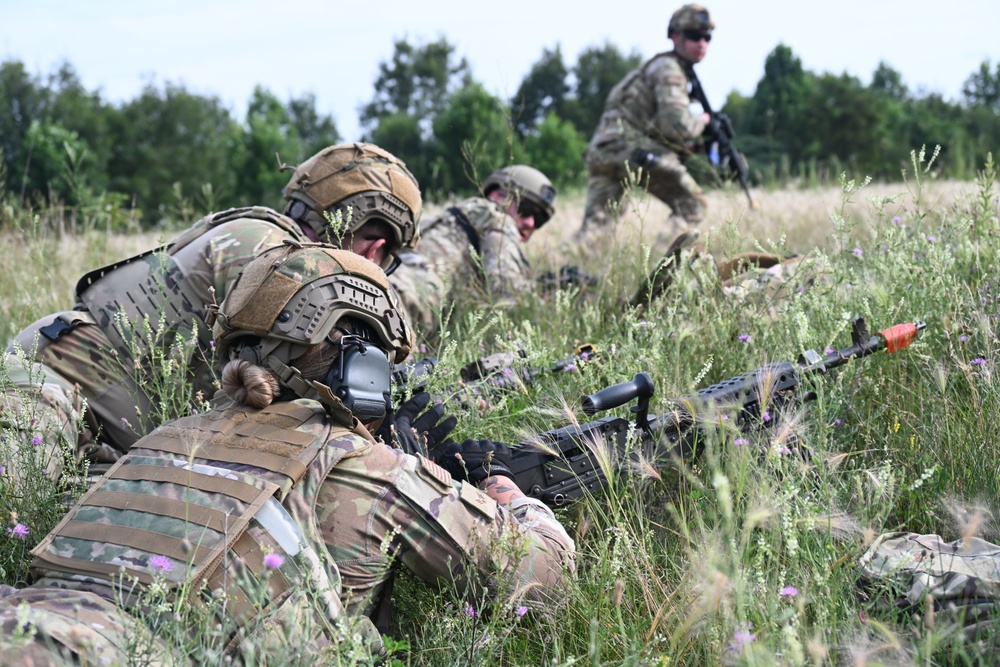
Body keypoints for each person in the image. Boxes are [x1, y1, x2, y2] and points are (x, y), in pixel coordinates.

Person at [0, 244, 575, 665]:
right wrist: (504, 491)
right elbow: (544, 583)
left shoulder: (162, 438)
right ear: (364, 366)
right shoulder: (363, 467)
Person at [1, 142, 422, 485]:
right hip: (55, 387)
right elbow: (297, 406)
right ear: (375, 250)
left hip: (103, 426)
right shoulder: (275, 257)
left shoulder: (269, 246)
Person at [577, 4, 715, 243]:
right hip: (631, 150)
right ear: (674, 36)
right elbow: (677, 127)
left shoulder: (654, 67)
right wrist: (703, 120)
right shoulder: (670, 70)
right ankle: (661, 264)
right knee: (694, 204)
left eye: (707, 37)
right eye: (694, 35)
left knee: (597, 229)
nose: (701, 43)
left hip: (603, 150)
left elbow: (661, 131)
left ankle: (559, 270)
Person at [390, 165, 557, 340]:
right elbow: (509, 295)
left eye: (540, 220)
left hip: (387, 286)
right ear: (497, 195)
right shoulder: (498, 220)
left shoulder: (461, 216)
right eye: (526, 209)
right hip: (409, 300)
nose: (530, 223)